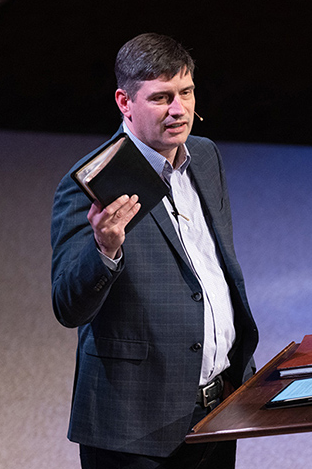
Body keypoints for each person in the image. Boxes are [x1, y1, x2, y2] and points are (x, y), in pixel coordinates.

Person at [50, 33, 258, 468]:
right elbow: (68, 306)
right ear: (124, 102)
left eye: (186, 92)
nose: (179, 110)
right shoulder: (88, 185)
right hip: (134, 429)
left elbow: (211, 270)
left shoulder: (204, 155)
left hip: (217, 410)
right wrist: (105, 248)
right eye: (161, 98)